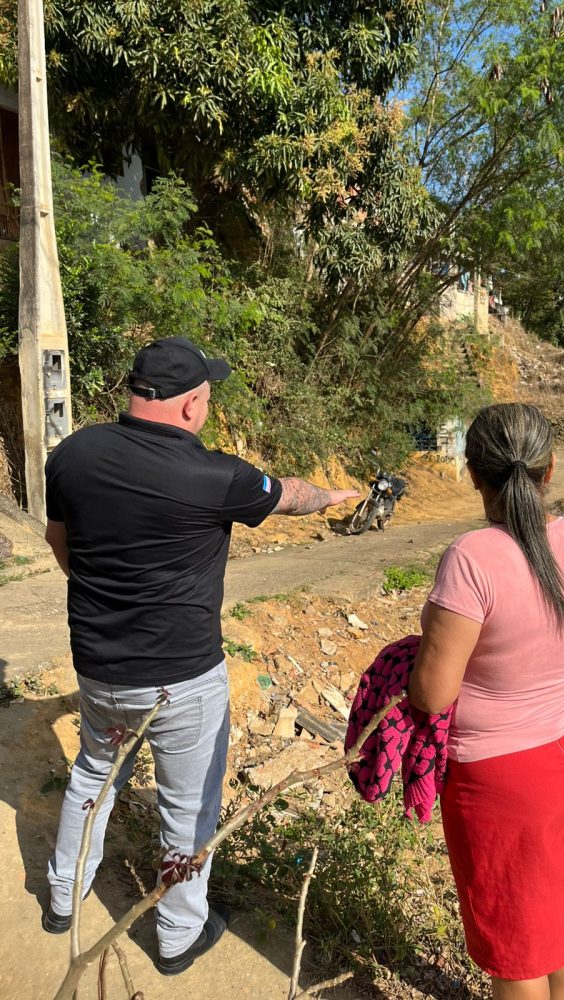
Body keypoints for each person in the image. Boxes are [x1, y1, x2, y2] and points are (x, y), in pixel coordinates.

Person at [42, 336, 358, 975]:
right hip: (182, 682)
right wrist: (333, 497)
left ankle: (61, 899)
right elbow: (290, 494)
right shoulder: (217, 477)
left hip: (100, 670)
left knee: (91, 780)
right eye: (207, 398)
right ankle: (177, 935)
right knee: (187, 810)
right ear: (190, 407)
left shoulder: (71, 456)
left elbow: (59, 540)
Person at [408, 403, 564, 1000]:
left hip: (501, 778)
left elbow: (431, 693)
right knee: (559, 914)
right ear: (550, 471)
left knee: (515, 943)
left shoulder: (472, 559)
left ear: (474, 474)